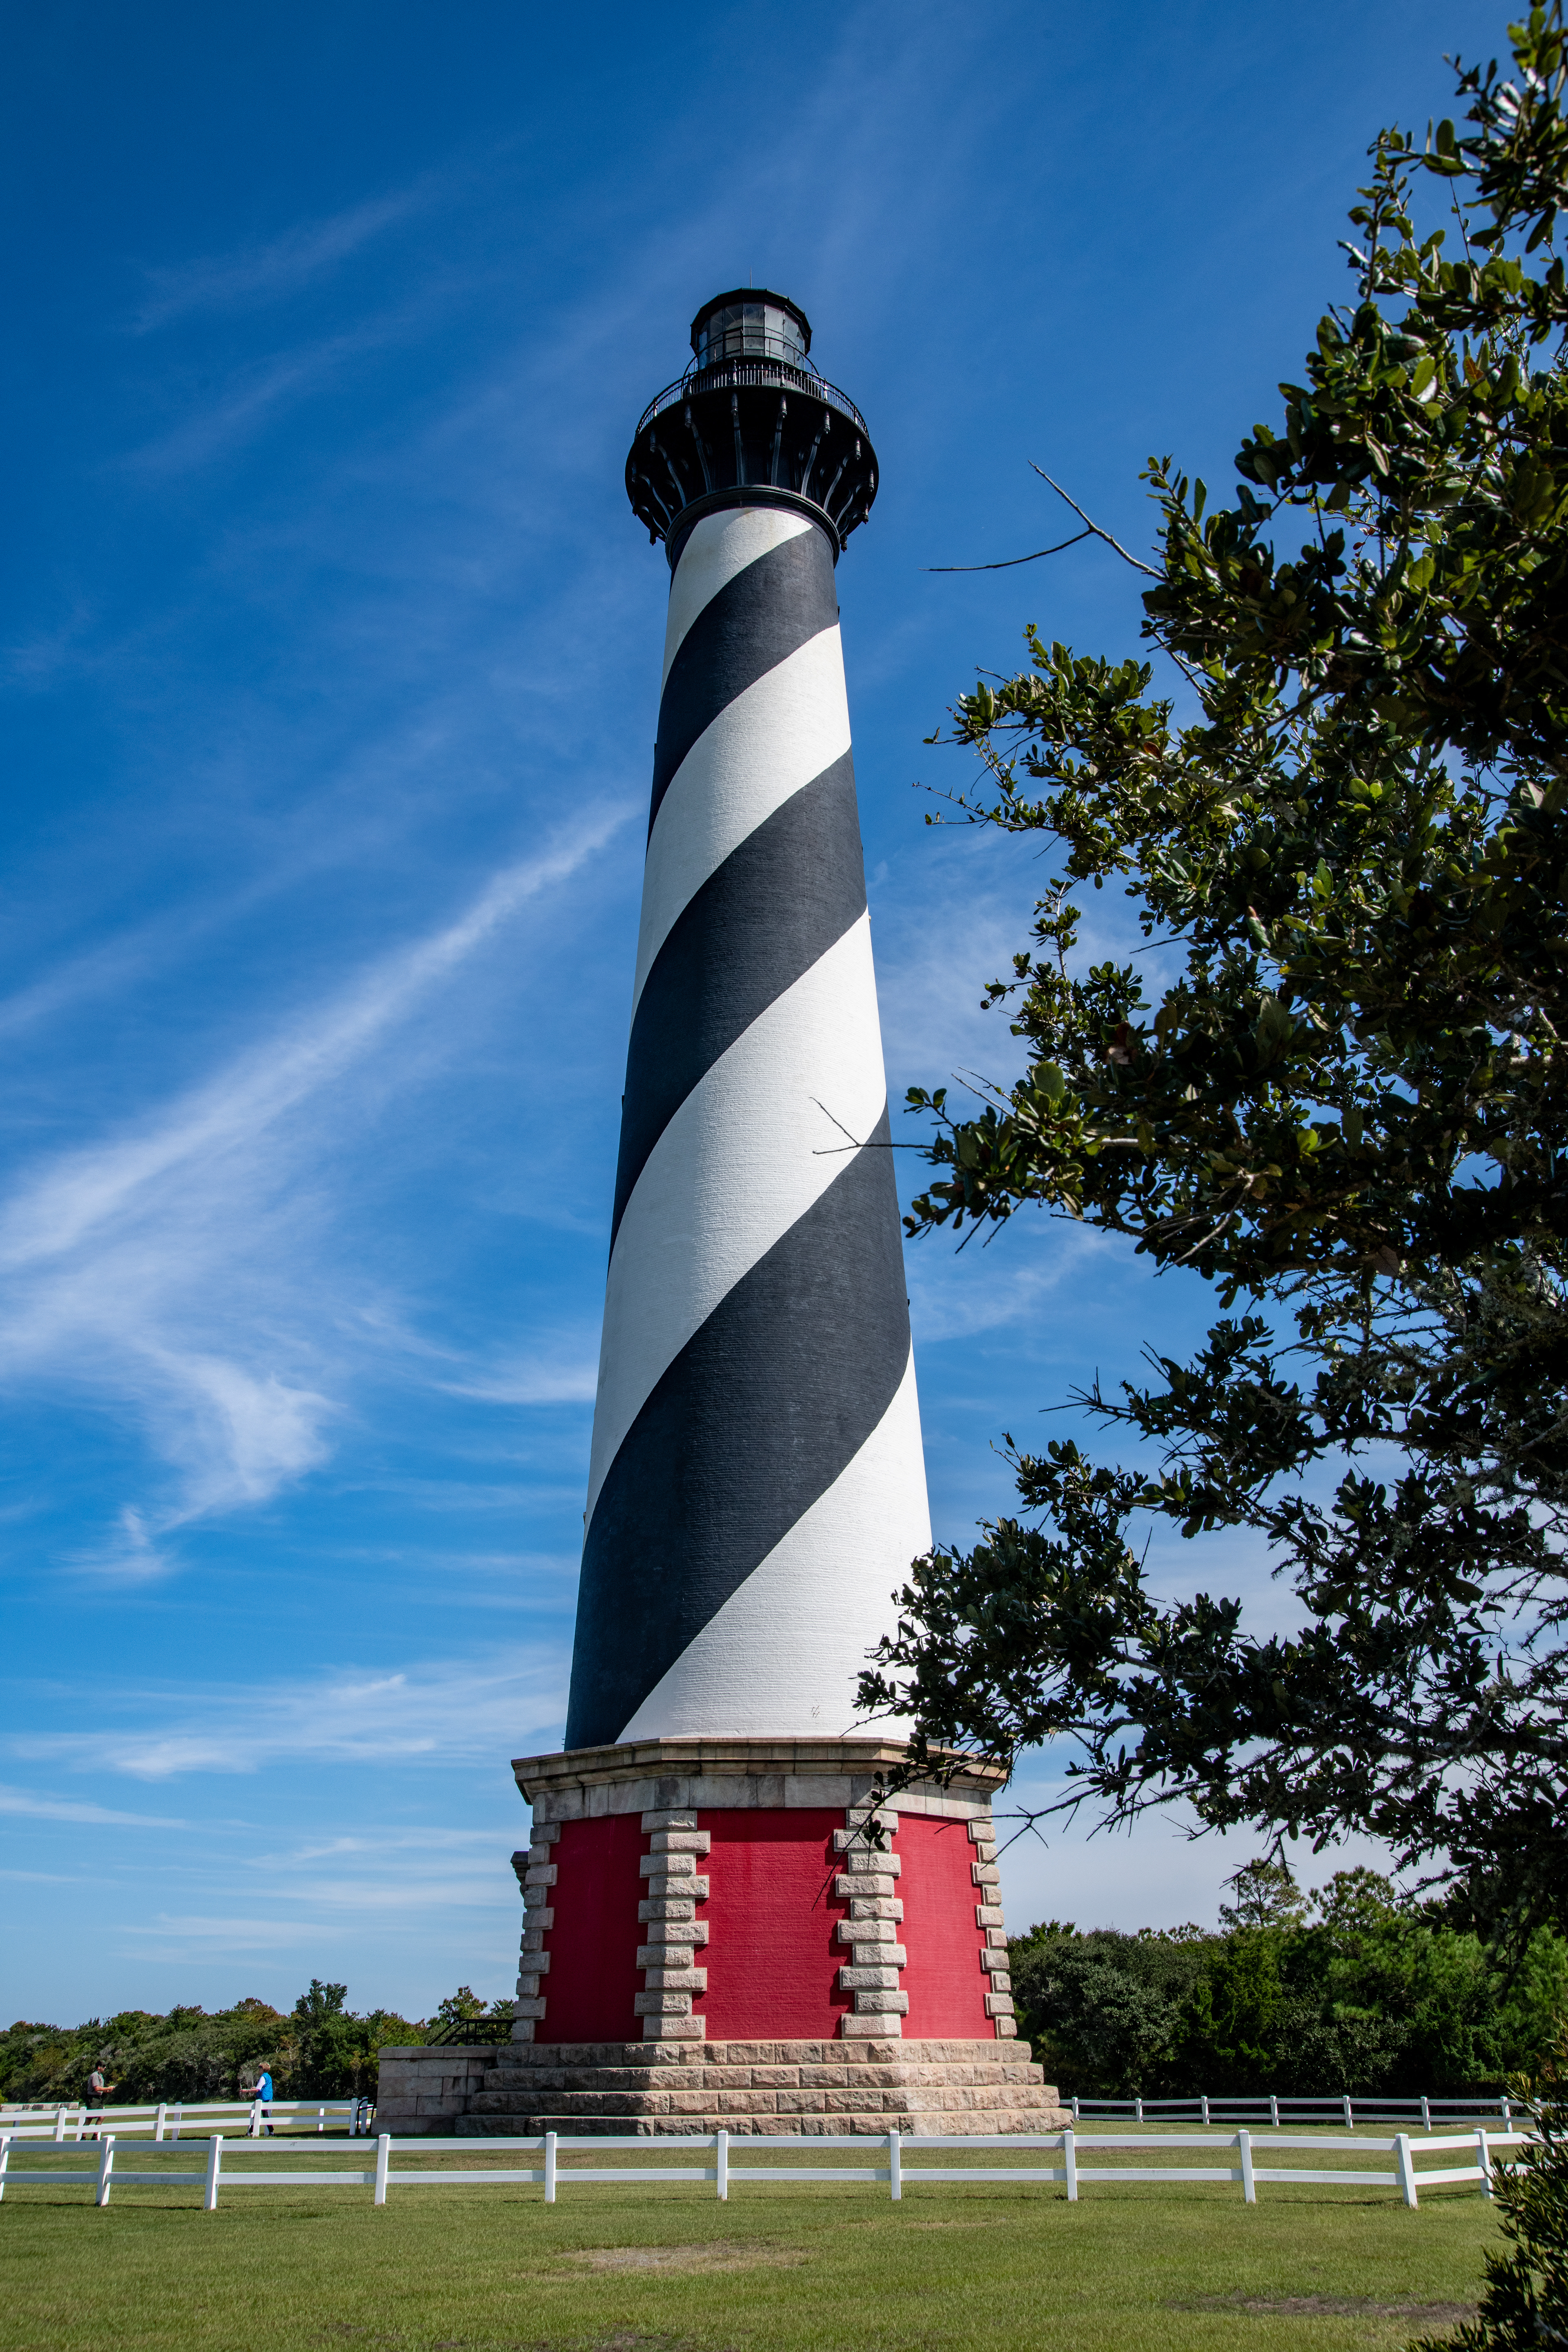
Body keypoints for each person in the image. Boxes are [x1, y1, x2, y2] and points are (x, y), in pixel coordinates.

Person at [85, 2064, 115, 2138]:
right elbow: (97, 2088)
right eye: (103, 2066)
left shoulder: (100, 2076)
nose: (105, 2068)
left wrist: (107, 2091)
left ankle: (95, 2135)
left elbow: (100, 2089)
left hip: (99, 2099)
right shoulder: (95, 2075)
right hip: (93, 2099)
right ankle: (83, 2138)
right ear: (99, 2067)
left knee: (102, 2116)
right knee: (90, 2118)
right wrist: (108, 2088)